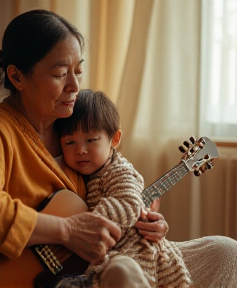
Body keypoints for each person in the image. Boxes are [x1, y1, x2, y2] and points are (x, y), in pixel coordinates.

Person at [0, 9, 168, 288]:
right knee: (124, 273)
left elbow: (113, 183)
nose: (75, 86)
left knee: (222, 249)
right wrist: (66, 230)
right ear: (17, 77)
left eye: (78, 71)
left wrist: (146, 225)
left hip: (85, 261)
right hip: (37, 276)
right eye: (60, 74)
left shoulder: (72, 123)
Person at [54, 89, 192, 288]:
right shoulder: (78, 172)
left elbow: (128, 201)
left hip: (134, 254)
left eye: (91, 140)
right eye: (69, 142)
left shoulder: (119, 171)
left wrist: (85, 226)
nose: (80, 150)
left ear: (115, 139)